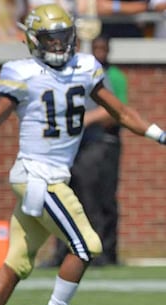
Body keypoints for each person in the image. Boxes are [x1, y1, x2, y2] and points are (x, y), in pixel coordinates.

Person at [0, 4, 166, 305]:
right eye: (50, 38)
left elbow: (120, 111)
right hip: (38, 175)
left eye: (63, 37)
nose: (57, 44)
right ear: (34, 40)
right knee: (87, 245)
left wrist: (158, 133)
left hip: (50, 176)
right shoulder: (21, 72)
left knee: (17, 261)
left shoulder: (86, 67)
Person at [47, 35, 125, 267]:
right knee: (61, 199)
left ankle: (97, 253)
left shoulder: (89, 68)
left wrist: (86, 119)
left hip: (90, 144)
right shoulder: (48, 71)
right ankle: (62, 252)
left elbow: (112, 110)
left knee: (91, 197)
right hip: (63, 148)